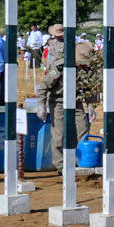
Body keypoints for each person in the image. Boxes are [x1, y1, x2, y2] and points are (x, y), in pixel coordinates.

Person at [37, 24, 91, 171]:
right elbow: (43, 86)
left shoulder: (86, 70)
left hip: (76, 100)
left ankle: (80, 161)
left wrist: (90, 105)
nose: (82, 67)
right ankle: (60, 165)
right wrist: (41, 106)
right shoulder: (59, 67)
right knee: (59, 134)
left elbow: (89, 88)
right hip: (58, 100)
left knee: (82, 129)